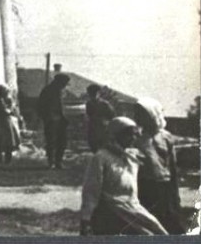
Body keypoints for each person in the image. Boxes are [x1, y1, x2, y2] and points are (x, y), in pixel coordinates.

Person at [79, 116, 167, 235]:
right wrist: (86, 219)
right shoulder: (101, 157)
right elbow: (91, 190)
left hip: (132, 207)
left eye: (135, 135)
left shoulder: (132, 156)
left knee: (160, 233)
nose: (133, 138)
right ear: (116, 135)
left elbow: (156, 167)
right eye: (128, 134)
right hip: (112, 211)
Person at [133, 97, 184, 234]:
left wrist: (175, 193)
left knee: (169, 220)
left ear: (152, 115)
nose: (138, 117)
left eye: (142, 114)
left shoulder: (166, 137)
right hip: (145, 185)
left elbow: (172, 166)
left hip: (164, 186)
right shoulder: (135, 138)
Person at [37, 72, 71, 169]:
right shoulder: (48, 91)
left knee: (62, 141)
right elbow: (40, 106)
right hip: (51, 120)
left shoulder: (60, 91)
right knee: (51, 141)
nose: (65, 85)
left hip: (60, 120)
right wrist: (46, 118)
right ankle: (51, 162)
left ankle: (58, 162)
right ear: (59, 82)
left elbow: (62, 107)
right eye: (64, 83)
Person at [0, 85, 23, 165]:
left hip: (7, 122)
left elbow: (14, 110)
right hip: (3, 122)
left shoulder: (8, 100)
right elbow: (4, 111)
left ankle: (6, 159)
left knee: (8, 141)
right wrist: (10, 110)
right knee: (1, 141)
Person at [84, 84, 115, 153]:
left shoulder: (105, 104)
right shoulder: (88, 103)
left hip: (102, 128)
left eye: (95, 93)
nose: (93, 96)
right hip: (92, 128)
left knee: (103, 147)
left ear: (99, 93)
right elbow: (89, 114)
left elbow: (111, 115)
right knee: (93, 146)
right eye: (91, 94)